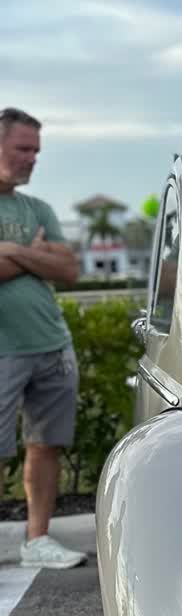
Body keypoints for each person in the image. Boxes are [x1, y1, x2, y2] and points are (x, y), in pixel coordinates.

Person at [0, 107, 87, 569]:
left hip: (50, 344)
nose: (32, 158)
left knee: (45, 443)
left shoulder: (38, 209)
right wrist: (32, 253)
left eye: (36, 150)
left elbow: (70, 269)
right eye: (23, 149)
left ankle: (37, 541)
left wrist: (10, 251)